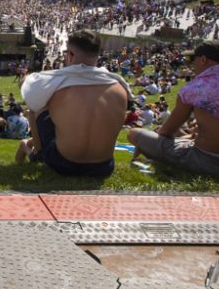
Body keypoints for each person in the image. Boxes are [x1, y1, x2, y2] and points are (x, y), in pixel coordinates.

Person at [128, 39, 219, 176]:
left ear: (203, 59)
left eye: (193, 59)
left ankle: (139, 162)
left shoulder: (195, 88)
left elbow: (166, 132)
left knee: (134, 133)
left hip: (203, 162)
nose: (192, 64)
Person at [15, 30, 132, 178]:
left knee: (35, 108)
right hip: (103, 167)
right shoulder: (119, 88)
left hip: (64, 164)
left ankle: (38, 153)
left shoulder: (59, 85)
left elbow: (31, 98)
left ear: (70, 55)